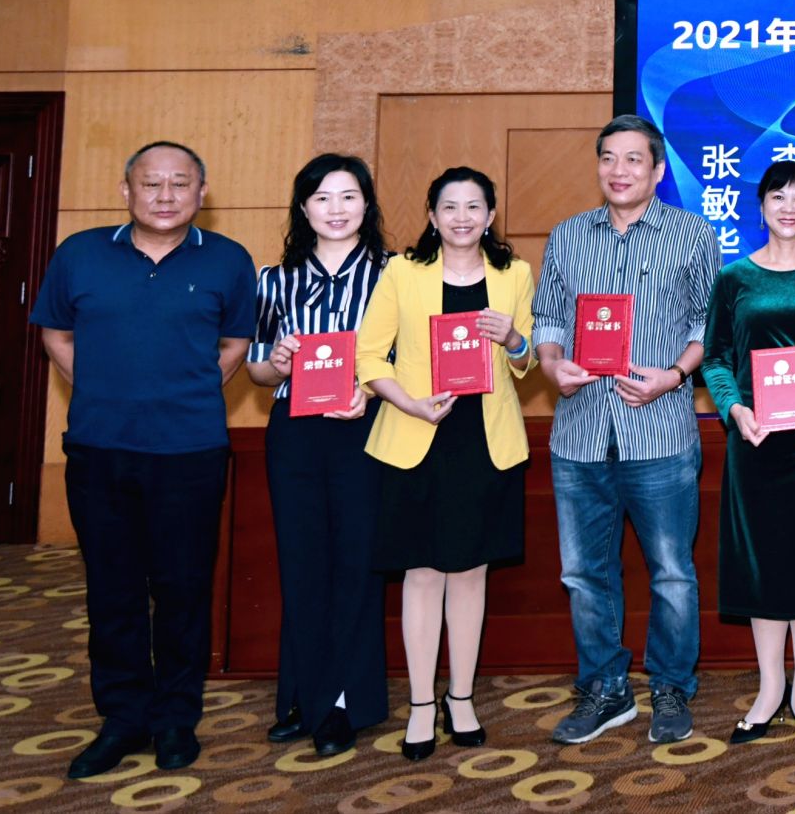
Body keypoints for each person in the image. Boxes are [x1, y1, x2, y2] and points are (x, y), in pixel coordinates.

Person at [30, 140, 256, 779]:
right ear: (125, 190)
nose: (165, 196)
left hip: (190, 451)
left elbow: (236, 341)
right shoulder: (79, 253)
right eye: (151, 183)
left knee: (183, 588)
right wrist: (102, 387)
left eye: (179, 184)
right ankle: (123, 717)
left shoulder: (230, 260)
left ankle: (176, 718)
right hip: (99, 448)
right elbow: (55, 333)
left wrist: (187, 391)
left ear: (201, 193)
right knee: (113, 589)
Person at [534, 115, 720, 746]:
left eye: (634, 159)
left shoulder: (692, 235)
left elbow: (706, 325)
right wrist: (553, 365)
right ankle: (606, 688)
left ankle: (670, 685)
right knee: (584, 574)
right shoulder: (567, 237)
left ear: (658, 170)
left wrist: (674, 375)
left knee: (671, 572)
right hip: (581, 433)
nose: (619, 170)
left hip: (659, 432)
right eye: (608, 158)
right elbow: (548, 318)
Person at [357, 167, 534, 760]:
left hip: (484, 443)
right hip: (418, 436)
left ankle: (461, 698)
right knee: (423, 573)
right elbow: (368, 356)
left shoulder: (514, 274)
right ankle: (420, 705)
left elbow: (526, 361)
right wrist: (408, 402)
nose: (462, 217)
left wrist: (513, 340)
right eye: (450, 207)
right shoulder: (403, 272)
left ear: (490, 215)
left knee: (470, 573)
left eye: (474, 206)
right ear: (432, 216)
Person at [701, 161, 795, 748]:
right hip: (755, 443)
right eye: (778, 196)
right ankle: (769, 689)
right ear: (761, 205)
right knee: (763, 566)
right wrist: (734, 409)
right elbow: (716, 357)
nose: (789, 207)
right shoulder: (733, 278)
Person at [246, 154, 390, 757]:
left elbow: (411, 359)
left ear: (367, 205)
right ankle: (303, 694)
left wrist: (369, 390)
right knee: (302, 560)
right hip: (295, 431)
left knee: (356, 561)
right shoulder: (273, 279)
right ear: (303, 208)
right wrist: (276, 363)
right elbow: (255, 369)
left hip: (364, 427)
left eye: (349, 196)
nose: (336, 209)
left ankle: (345, 702)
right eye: (322, 198)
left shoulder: (393, 274)